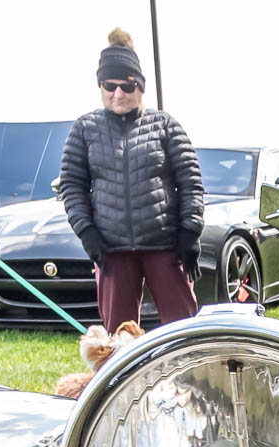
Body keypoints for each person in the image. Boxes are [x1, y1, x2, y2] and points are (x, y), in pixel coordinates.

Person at [60, 28, 205, 332]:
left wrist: (190, 232)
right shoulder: (84, 129)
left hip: (164, 245)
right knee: (118, 340)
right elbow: (72, 186)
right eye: (109, 86)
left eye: (126, 86)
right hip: (112, 251)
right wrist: (87, 232)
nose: (118, 94)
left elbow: (190, 181)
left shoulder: (165, 126)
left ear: (139, 86)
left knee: (182, 331)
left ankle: (189, 381)